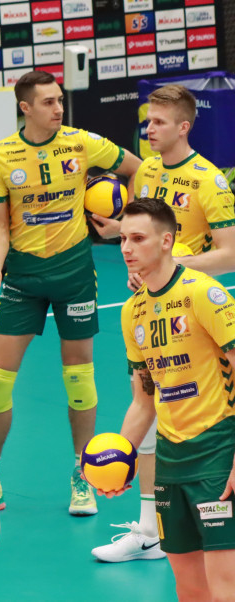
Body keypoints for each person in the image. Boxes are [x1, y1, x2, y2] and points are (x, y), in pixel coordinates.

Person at [0, 70, 141, 514]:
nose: (58, 108)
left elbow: (137, 169)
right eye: (48, 102)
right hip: (23, 276)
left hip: (74, 271)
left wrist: (127, 223)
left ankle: (82, 475)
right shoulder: (0, 156)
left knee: (79, 378)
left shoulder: (81, 142)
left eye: (59, 100)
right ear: (25, 108)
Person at [90, 84, 235, 562]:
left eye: (157, 122)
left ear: (184, 127)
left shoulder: (209, 181)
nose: (148, 130)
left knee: (205, 405)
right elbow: (145, 227)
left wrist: (173, 270)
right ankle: (150, 529)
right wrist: (120, 232)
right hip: (149, 304)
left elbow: (232, 253)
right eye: (147, 121)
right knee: (155, 403)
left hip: (195, 307)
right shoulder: (147, 172)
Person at [108, 197, 235, 601]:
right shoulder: (132, 312)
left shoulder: (204, 293)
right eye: (123, 239)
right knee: (189, 586)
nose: (126, 248)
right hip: (171, 459)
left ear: (166, 241)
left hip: (217, 451)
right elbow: (143, 401)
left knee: (225, 586)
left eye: (138, 238)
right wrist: (118, 460)